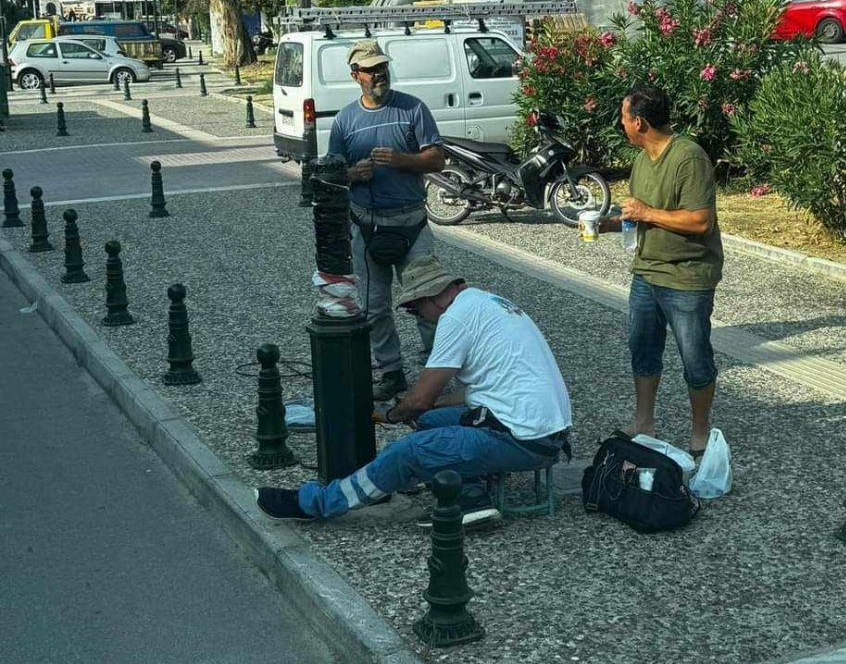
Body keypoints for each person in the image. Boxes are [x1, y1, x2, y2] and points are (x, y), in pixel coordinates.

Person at [256, 256, 572, 527]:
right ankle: (470, 498)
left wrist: (393, 414)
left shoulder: (456, 318)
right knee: (431, 423)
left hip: (519, 438)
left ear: (430, 296)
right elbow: (471, 392)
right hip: (544, 431)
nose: (415, 315)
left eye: (413, 309)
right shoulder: (486, 302)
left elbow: (421, 398)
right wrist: (425, 410)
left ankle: (317, 504)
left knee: (407, 451)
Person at [601, 85, 723, 458]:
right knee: (642, 350)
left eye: (623, 117)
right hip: (646, 271)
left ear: (639, 122)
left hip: (686, 276)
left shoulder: (688, 157)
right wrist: (607, 223)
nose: (620, 123)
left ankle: (699, 430)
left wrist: (645, 213)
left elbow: (700, 221)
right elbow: (638, 216)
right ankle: (644, 422)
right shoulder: (641, 161)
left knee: (695, 357)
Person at [327, 39, 445, 401]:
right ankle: (391, 372)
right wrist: (352, 173)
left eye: (383, 67)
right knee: (374, 306)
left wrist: (402, 160)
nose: (380, 74)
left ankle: (437, 374)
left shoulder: (413, 109)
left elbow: (437, 159)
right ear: (355, 75)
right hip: (366, 227)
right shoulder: (345, 120)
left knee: (430, 302)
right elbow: (331, 173)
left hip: (412, 225)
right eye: (371, 69)